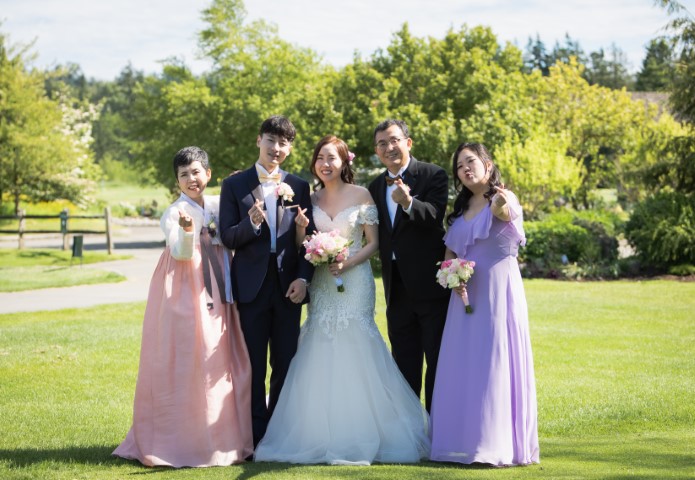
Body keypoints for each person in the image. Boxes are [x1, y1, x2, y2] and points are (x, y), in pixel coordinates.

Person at [254, 135, 430, 465]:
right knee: (319, 342)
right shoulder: (310, 197)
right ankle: (316, 432)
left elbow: (373, 243)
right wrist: (301, 231)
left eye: (332, 158)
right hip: (322, 282)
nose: (325, 164)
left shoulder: (362, 194)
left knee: (357, 341)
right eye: (320, 158)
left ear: (344, 161)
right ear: (314, 163)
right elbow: (303, 244)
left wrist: (347, 262)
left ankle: (367, 429)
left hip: (355, 279)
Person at [113, 146, 253, 467]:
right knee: (193, 354)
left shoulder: (218, 204)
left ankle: (227, 435)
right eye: (184, 174)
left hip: (220, 286)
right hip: (186, 289)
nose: (191, 179)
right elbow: (179, 252)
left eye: (196, 172)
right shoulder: (174, 212)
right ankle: (184, 437)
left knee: (223, 355)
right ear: (177, 181)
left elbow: (233, 231)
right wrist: (189, 232)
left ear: (208, 174)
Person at [429, 142, 539, 466]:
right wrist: (452, 276)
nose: (465, 169)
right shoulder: (459, 213)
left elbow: (504, 213)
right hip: (464, 296)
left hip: (498, 292)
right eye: (459, 166)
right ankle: (460, 441)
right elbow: (449, 254)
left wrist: (500, 202)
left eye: (471, 162)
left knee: (493, 362)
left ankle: (493, 444)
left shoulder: (503, 198)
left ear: (487, 165)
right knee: (464, 364)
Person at [219, 115, 315, 448]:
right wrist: (252, 224)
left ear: (290, 148)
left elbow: (309, 241)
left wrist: (303, 278)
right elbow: (228, 237)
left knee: (285, 362)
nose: (276, 148)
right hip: (251, 288)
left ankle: (279, 434)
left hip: (289, 287)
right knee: (253, 366)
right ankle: (254, 437)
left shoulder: (299, 186)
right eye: (271, 140)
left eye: (283, 143)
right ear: (259, 140)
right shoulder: (235, 185)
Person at [367, 119, 450, 412]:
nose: (389, 147)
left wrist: (408, 203)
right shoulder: (375, 186)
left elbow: (435, 217)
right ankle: (409, 427)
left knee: (437, 360)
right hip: (396, 287)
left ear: (408, 142)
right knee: (403, 363)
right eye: (382, 143)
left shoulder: (433, 174)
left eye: (394, 140)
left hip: (430, 287)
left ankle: (437, 426)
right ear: (376, 151)